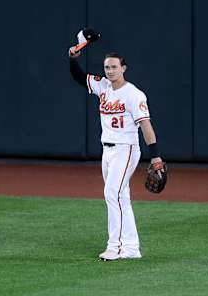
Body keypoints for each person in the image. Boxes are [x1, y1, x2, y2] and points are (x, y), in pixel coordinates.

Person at [68, 46, 164, 261]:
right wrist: (73, 59)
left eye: (114, 67)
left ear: (123, 68)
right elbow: (79, 77)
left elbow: (146, 126)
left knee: (112, 193)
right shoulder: (103, 87)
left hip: (126, 149)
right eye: (107, 67)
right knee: (121, 196)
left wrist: (155, 155)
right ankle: (131, 247)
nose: (110, 71)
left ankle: (115, 247)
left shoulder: (134, 94)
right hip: (107, 150)